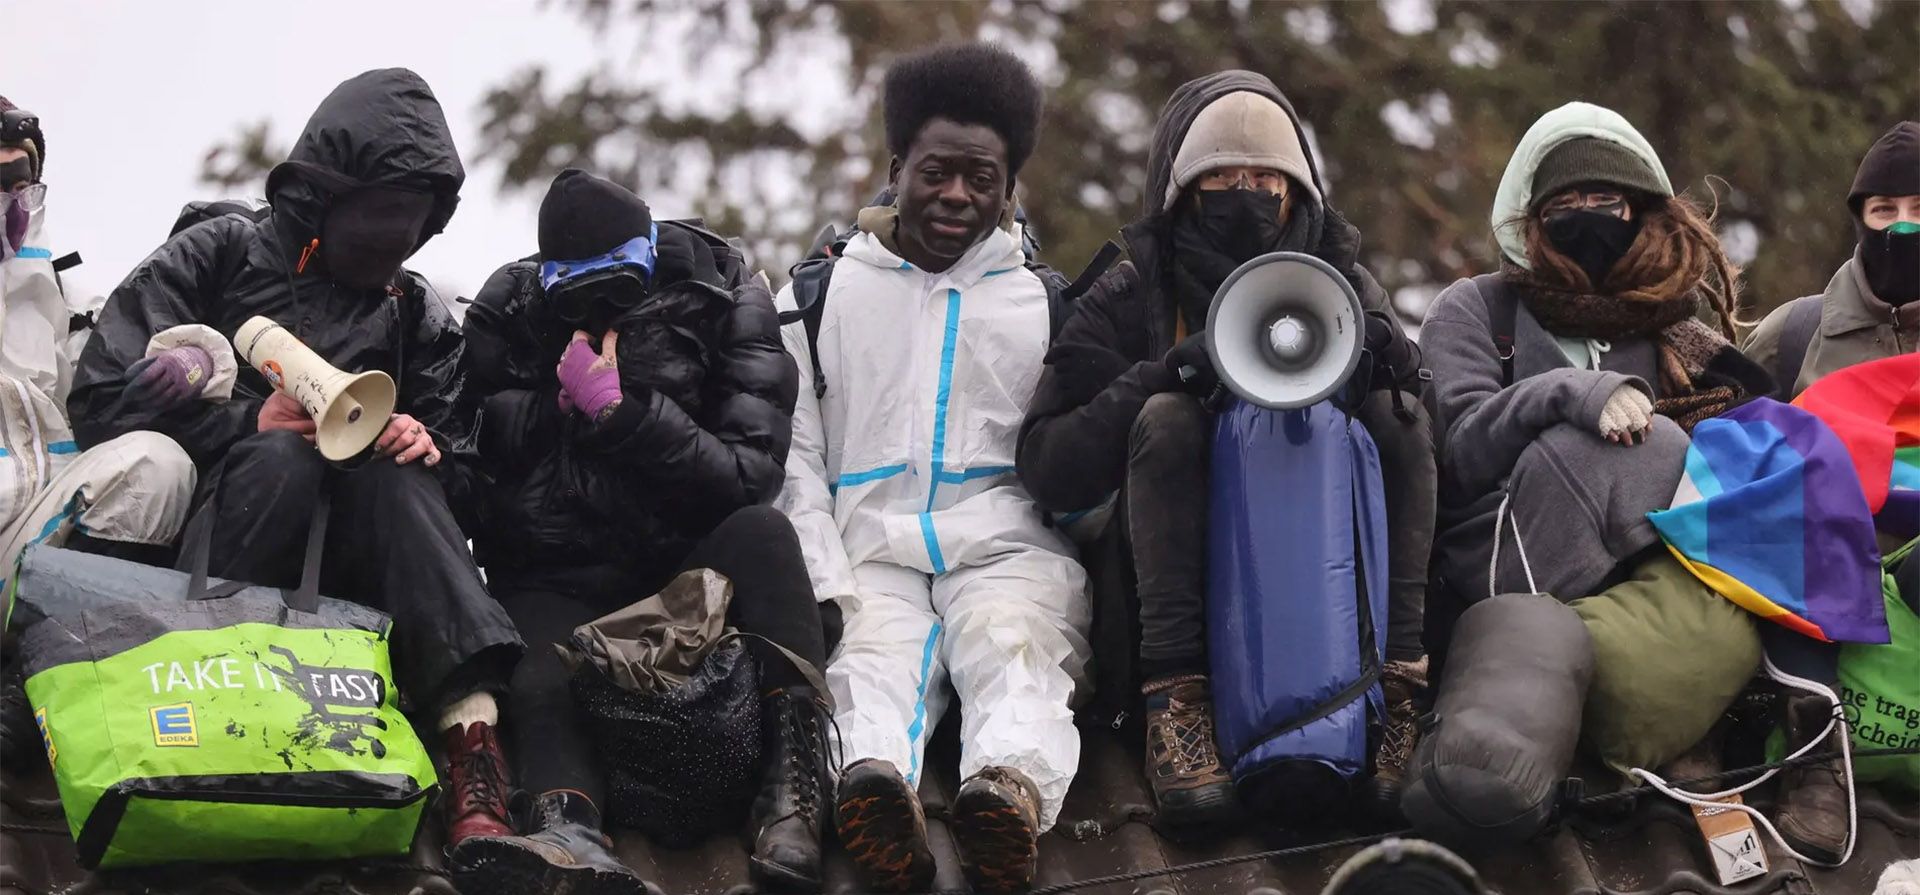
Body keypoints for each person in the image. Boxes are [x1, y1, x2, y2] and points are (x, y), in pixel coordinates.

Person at [65, 69, 525, 851]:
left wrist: (434, 452)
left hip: (362, 588)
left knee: (403, 481)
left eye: (410, 227)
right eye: (378, 220)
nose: (394, 247)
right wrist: (247, 420)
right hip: (219, 561)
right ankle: (221, 708)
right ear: (323, 199)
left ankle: (470, 748)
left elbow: (474, 492)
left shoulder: (416, 315)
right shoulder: (219, 254)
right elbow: (101, 398)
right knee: (282, 457)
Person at [1420, 102, 1846, 862]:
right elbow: (1459, 447)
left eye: (1606, 203)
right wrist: (1575, 395)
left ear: (1641, 213)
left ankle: (1804, 742)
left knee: (1782, 464)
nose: (1586, 218)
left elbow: (1765, 450)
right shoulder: (1480, 309)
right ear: (1533, 221)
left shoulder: (1676, 334)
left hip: (1645, 591)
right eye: (1565, 207)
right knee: (1659, 447)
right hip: (1505, 570)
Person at [1016, 70, 1435, 830]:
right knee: (1169, 422)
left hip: (1322, 589)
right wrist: (1164, 373)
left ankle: (1397, 695)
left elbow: (1433, 443)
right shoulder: (1135, 289)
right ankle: (1177, 712)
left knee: (1397, 420)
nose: (1245, 193)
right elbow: (1047, 461)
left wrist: (1393, 363)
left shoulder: (1342, 282)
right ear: (1183, 192)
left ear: (1297, 190)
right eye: (1221, 178)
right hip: (1170, 593)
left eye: (1264, 177)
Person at [449, 169, 828, 893]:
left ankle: (796, 795)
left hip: (682, 567)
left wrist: (627, 417)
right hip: (556, 569)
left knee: (766, 535)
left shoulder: (722, 291)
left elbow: (751, 471)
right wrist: (552, 410)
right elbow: (469, 452)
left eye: (618, 284)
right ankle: (567, 823)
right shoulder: (507, 311)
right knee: (530, 661)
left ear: (649, 254)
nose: (599, 307)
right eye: (578, 293)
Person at [775, 43, 1089, 894]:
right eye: (937, 172)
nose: (957, 195)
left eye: (981, 179)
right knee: (869, 661)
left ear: (1009, 186)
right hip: (868, 547)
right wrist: (823, 584)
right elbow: (795, 457)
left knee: (1012, 646)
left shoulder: (1050, 305)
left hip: (1007, 546)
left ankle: (1008, 797)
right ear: (896, 167)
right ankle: (872, 791)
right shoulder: (817, 295)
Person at [0, 97, 204, 766]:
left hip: (27, 555)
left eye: (17, 179)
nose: (9, 196)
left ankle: (44, 678)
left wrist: (200, 359)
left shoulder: (58, 297)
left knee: (158, 462)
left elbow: (152, 333)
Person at [1745, 121, 1920, 398]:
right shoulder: (1789, 337)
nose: (1903, 226)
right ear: (1860, 221)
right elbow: (1735, 436)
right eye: (1884, 209)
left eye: (1919, 208)